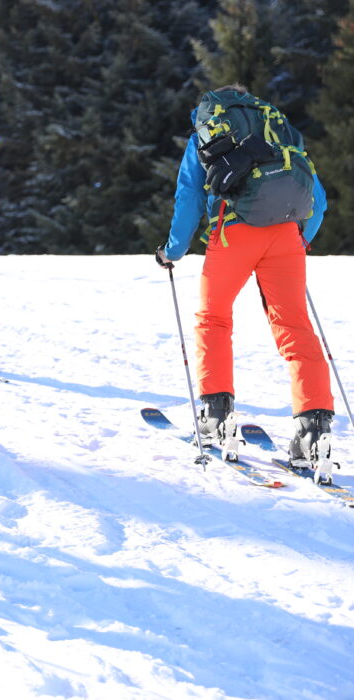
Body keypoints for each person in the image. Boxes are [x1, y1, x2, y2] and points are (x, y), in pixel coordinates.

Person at [157, 84, 335, 482]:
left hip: (233, 232)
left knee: (213, 319)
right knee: (295, 328)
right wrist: (301, 239)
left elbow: (188, 196)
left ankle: (216, 417)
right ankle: (313, 433)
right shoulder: (281, 129)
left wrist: (172, 251)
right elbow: (318, 199)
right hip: (286, 234)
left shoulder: (208, 133)